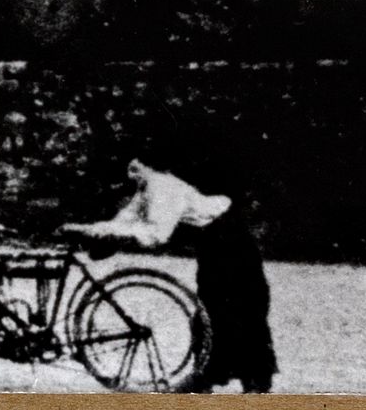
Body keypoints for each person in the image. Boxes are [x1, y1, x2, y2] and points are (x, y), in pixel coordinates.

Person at [63, 158, 277, 393]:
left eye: (136, 167)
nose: (131, 173)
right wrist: (94, 230)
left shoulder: (164, 187)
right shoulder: (146, 189)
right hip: (212, 243)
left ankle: (253, 379)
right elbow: (126, 219)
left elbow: (157, 235)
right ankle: (207, 376)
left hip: (230, 238)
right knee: (211, 307)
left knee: (239, 307)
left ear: (150, 167)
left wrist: (104, 234)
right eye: (129, 168)